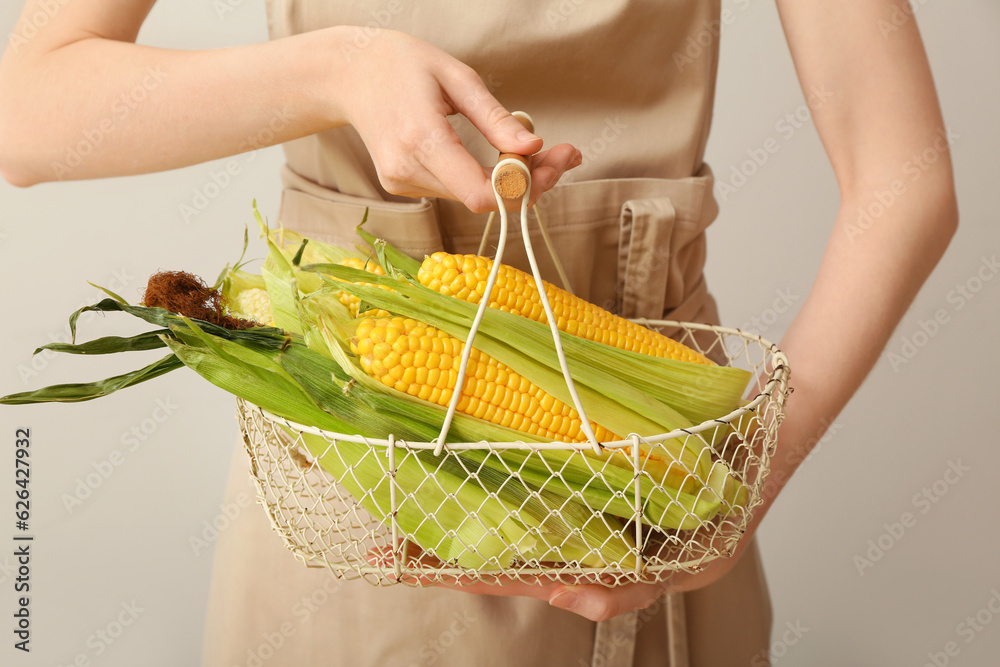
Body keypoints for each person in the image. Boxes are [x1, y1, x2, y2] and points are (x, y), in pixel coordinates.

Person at [0, 1, 958, 665]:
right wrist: (337, 69)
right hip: (357, 475)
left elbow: (904, 181)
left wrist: (745, 485)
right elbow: (30, 112)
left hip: (658, 485)